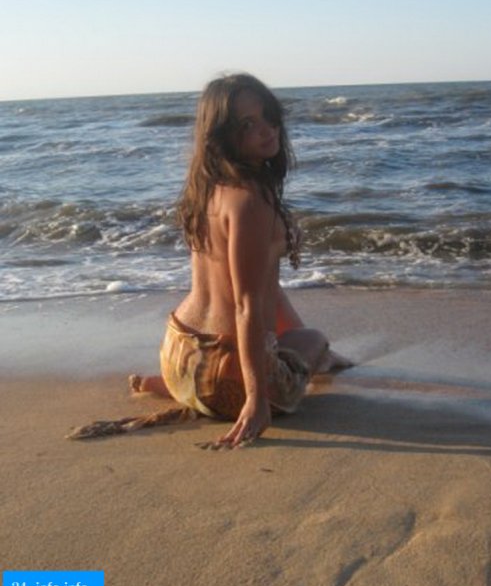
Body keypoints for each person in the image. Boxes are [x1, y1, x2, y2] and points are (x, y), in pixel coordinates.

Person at [129, 73, 351, 448]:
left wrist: (276, 246)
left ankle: (181, 388)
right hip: (225, 380)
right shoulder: (250, 200)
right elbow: (246, 305)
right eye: (247, 125)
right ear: (222, 137)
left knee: (273, 301)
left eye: (268, 116)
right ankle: (314, 362)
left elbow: (255, 284)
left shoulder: (206, 189)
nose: (266, 130)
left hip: (178, 355)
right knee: (314, 340)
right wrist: (256, 401)